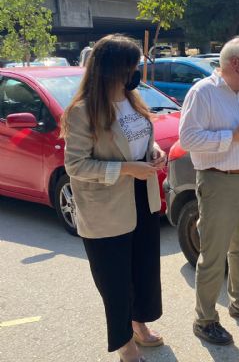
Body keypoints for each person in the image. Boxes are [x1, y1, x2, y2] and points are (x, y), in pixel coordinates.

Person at [61, 34, 167, 362]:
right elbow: (76, 165)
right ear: (112, 69)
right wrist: (127, 169)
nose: (137, 73)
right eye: (132, 67)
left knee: (143, 270)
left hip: (142, 197)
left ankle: (138, 323)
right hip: (106, 208)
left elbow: (139, 140)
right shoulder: (82, 112)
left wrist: (154, 151)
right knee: (115, 281)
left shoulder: (133, 100)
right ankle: (125, 344)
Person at [179, 36, 239, 346]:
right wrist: (232, 137)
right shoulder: (202, 93)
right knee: (213, 255)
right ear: (236, 63)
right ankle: (205, 320)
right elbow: (188, 139)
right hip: (218, 181)